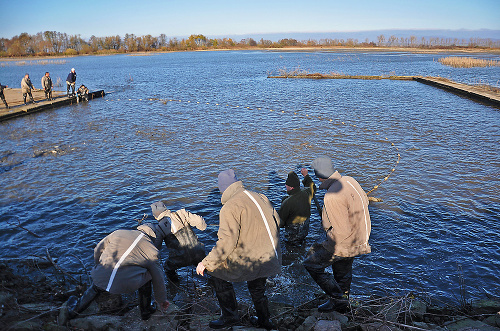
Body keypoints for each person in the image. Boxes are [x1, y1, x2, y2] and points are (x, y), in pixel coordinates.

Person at [196, 169, 281, 330]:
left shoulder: (229, 207)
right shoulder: (259, 196)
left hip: (253, 257)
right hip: (270, 254)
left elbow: (226, 243)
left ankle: (230, 317)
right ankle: (265, 321)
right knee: (257, 288)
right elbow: (277, 220)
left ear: (223, 189)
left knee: (216, 273)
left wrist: (206, 262)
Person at [58, 218, 172, 325]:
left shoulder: (119, 233)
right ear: (154, 237)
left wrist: (98, 265)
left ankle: (74, 311)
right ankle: (146, 311)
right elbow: (159, 279)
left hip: (101, 276)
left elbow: (98, 249)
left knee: (96, 286)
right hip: (125, 285)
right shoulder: (152, 250)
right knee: (149, 274)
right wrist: (161, 300)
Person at [302, 156, 371, 313]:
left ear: (319, 177)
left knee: (310, 264)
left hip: (347, 241)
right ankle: (344, 301)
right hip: (362, 237)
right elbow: (365, 202)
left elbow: (340, 233)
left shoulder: (331, 196)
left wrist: (323, 246)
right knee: (343, 270)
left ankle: (337, 299)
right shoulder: (350, 180)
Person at [150, 201, 207, 282]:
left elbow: (156, 248)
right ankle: (216, 283)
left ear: (155, 216)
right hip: (197, 252)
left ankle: (176, 287)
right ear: (166, 209)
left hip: (180, 258)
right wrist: (203, 227)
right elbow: (200, 222)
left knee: (168, 268)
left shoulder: (159, 228)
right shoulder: (181, 214)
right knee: (209, 268)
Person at [278, 168, 315, 246]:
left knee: (291, 249)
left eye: (286, 184)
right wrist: (306, 176)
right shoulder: (307, 193)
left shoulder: (287, 202)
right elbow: (313, 187)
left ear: (291, 187)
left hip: (292, 237)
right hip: (304, 231)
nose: (285, 186)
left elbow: (280, 223)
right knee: (302, 245)